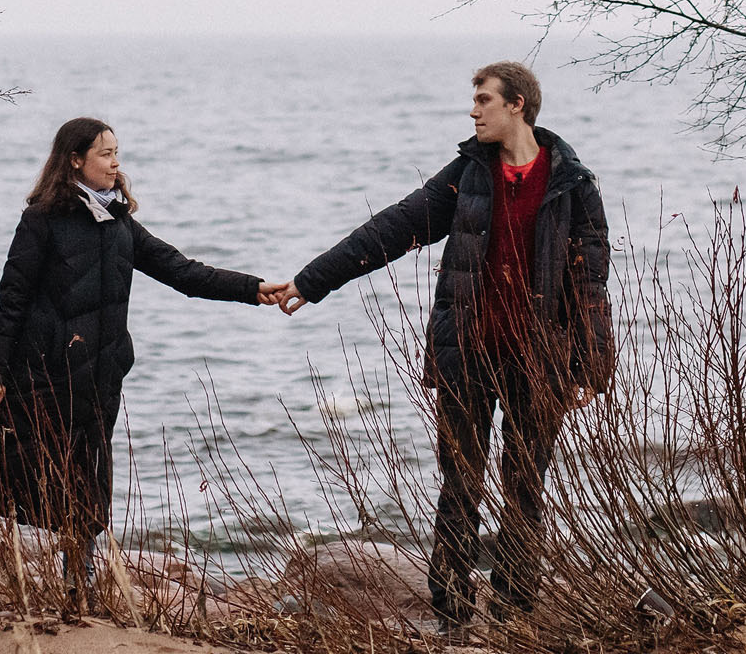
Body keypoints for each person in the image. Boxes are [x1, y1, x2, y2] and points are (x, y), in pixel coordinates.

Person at [263, 62, 614, 633]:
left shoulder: (573, 183)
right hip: (466, 358)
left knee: (526, 489)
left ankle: (512, 614)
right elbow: (390, 230)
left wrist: (588, 367)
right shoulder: (466, 177)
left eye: (483, 100)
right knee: (461, 487)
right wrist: (311, 281)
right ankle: (452, 616)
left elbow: (590, 282)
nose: (473, 111)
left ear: (517, 104)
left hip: (539, 362)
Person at [0, 116, 273, 597]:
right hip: (40, 373)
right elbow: (13, 298)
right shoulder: (42, 220)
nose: (115, 162)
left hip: (99, 379)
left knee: (87, 479)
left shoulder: (120, 225)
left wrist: (253, 289)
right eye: (105, 153)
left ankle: (76, 583)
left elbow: (184, 273)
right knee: (3, 466)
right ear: (75, 160)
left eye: (116, 152)